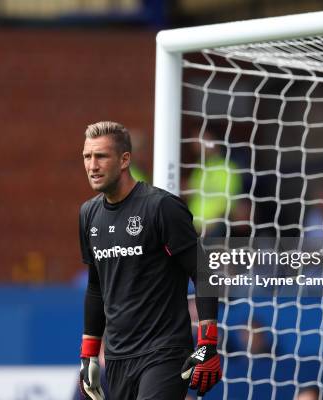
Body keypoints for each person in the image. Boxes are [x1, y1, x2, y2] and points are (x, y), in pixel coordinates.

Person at [78, 121, 221, 400]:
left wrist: (207, 342)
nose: (92, 165)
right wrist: (89, 355)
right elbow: (96, 287)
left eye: (101, 156)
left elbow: (203, 272)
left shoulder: (161, 207)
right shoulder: (88, 215)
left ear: (124, 160)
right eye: (87, 156)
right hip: (119, 358)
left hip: (164, 353)